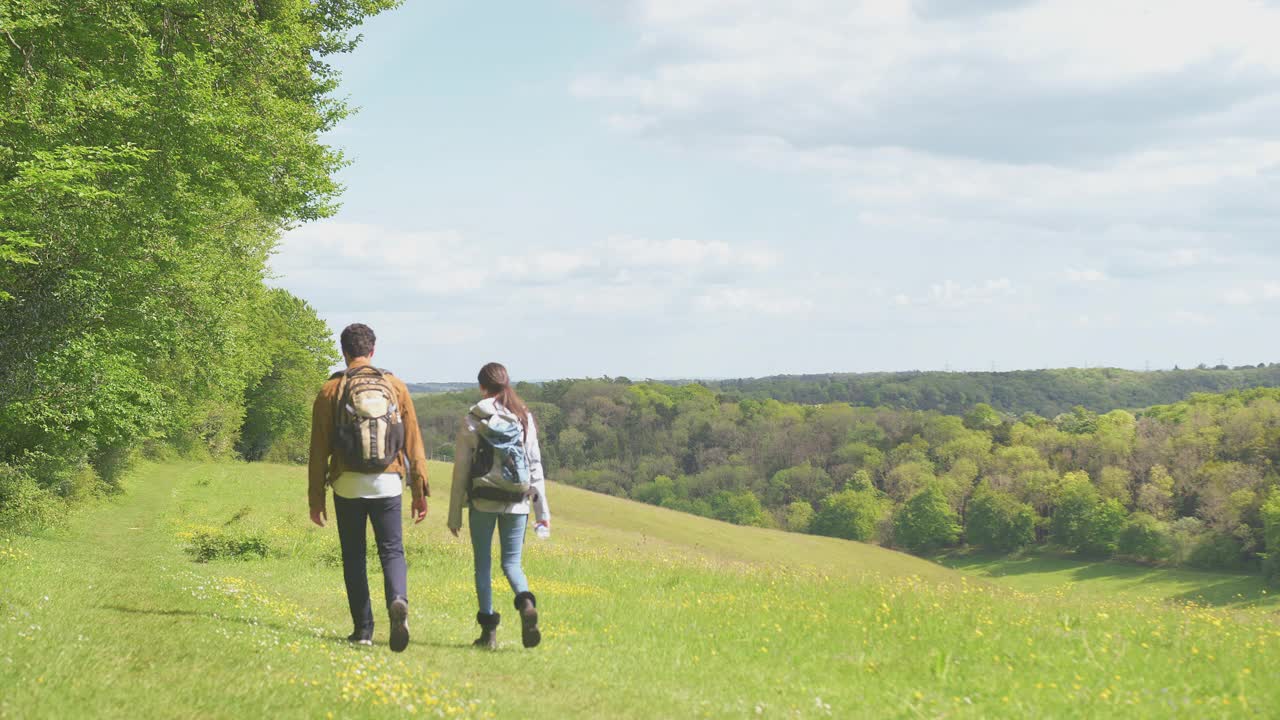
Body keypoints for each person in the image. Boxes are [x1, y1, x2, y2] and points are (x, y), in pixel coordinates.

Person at [308, 323, 429, 652]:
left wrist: (315, 498)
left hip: (347, 482)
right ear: (373, 351)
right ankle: (397, 600)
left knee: (354, 556)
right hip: (388, 480)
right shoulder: (395, 385)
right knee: (392, 550)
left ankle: (363, 630)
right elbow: (413, 443)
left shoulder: (330, 390)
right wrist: (419, 491)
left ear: (344, 351)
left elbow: (319, 449)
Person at [448, 362, 549, 649]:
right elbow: (535, 468)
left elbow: (461, 469)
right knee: (512, 563)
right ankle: (526, 603)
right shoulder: (523, 417)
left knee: (483, 564)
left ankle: (488, 634)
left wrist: (455, 513)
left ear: (482, 386)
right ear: (507, 384)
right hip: (518, 502)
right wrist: (543, 515)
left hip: (482, 498)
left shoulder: (474, 417)